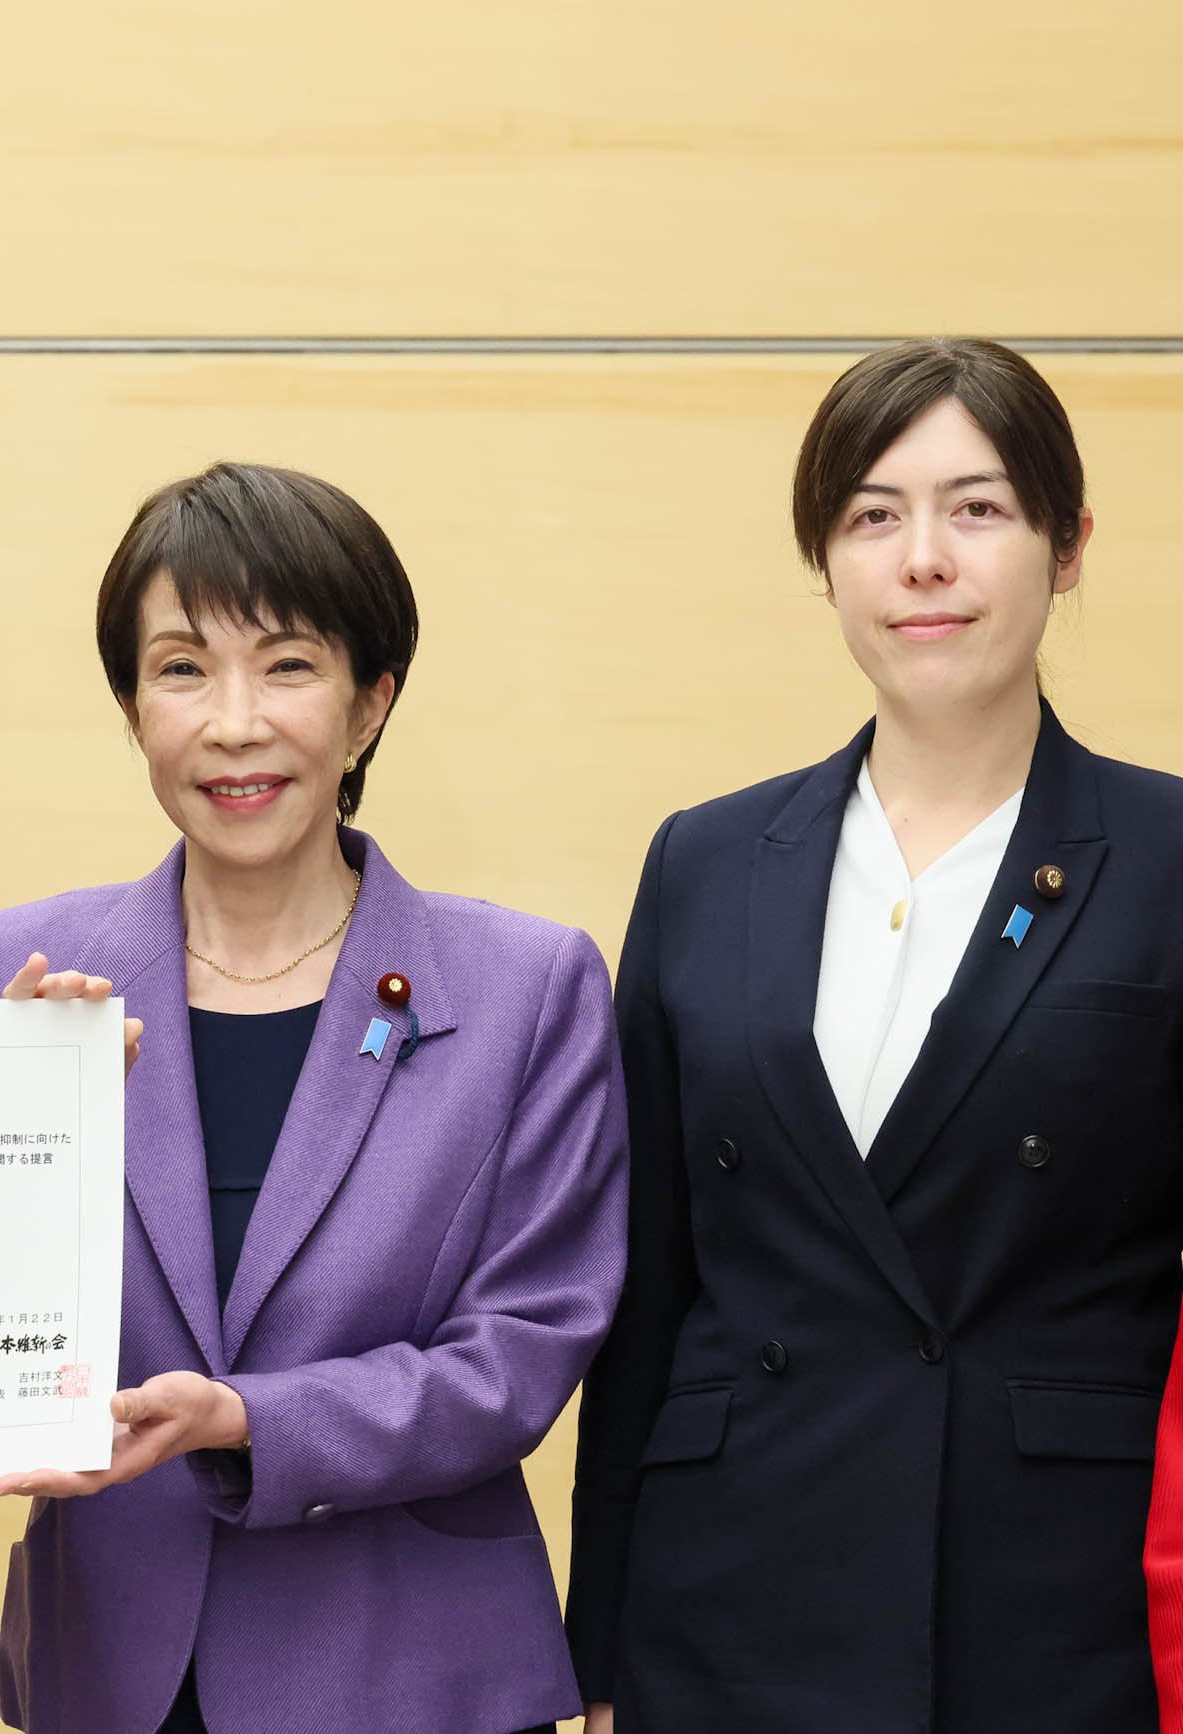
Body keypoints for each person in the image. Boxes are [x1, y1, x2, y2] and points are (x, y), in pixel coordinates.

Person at [0, 462, 628, 1734]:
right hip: (113, 1677)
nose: (232, 722)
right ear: (131, 707)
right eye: (181, 669)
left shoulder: (526, 989)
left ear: (369, 705)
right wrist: (7, 1146)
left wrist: (252, 1419)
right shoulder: (11, 973)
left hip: (416, 1682)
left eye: (287, 666)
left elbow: (518, 1355)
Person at [567, 338, 1183, 1732]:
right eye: (871, 516)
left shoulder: (1165, 856)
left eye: (977, 509)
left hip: (1052, 1609)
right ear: (825, 559)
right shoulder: (704, 861)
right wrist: (597, 1658)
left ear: (1067, 546)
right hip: (727, 1603)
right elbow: (646, 1291)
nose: (922, 561)